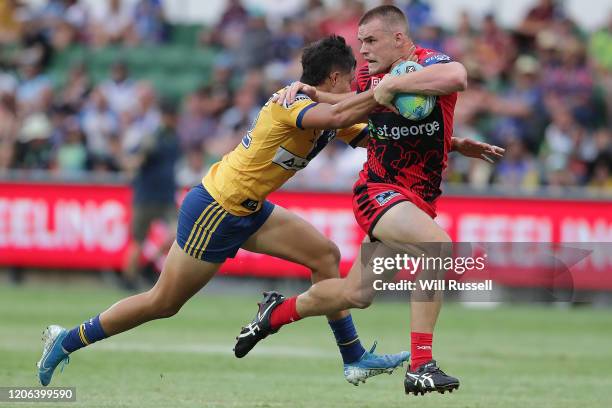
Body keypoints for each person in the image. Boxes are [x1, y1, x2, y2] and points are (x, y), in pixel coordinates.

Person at [36, 35, 411, 388]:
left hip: (250, 208)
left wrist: (440, 140)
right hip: (216, 208)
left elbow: (368, 135)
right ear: (334, 77)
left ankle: (353, 357)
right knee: (162, 302)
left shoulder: (330, 108)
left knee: (325, 255)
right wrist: (385, 92)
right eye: (349, 80)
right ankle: (67, 340)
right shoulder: (291, 102)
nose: (353, 86)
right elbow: (336, 119)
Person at [234, 5, 504, 396]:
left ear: (399, 38)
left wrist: (451, 140)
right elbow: (346, 109)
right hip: (379, 191)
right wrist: (314, 92)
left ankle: (273, 315)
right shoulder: (366, 75)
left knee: (355, 294)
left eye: (371, 40)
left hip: (418, 197)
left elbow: (458, 76)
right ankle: (422, 365)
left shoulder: (430, 63)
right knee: (438, 247)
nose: (364, 50)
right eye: (361, 42)